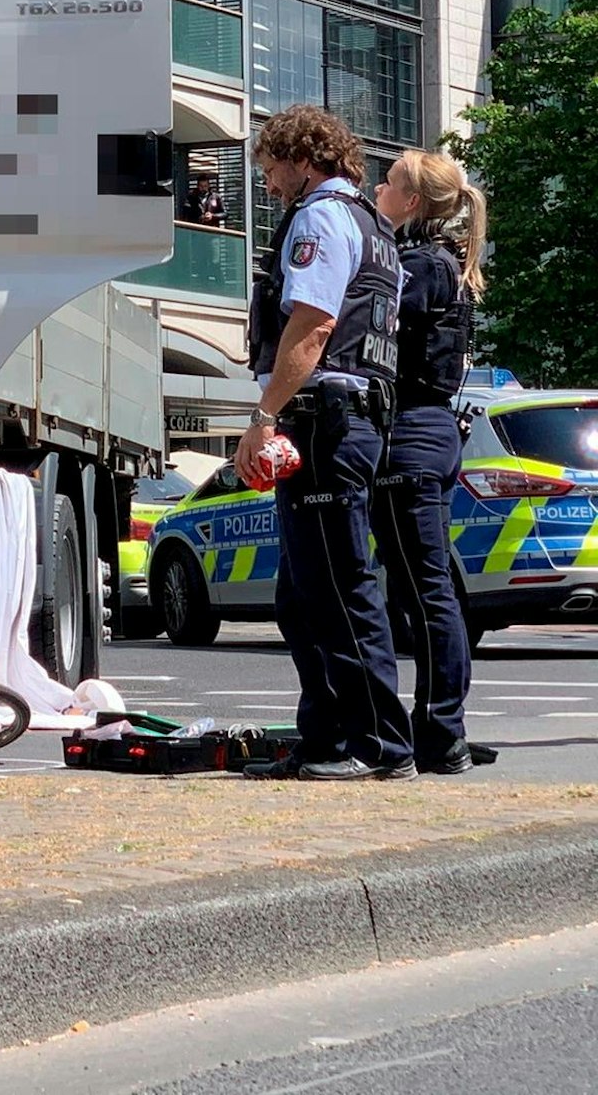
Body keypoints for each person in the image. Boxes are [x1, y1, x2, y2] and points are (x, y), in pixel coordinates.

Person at [237, 106, 413, 781]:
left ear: (304, 160)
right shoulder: (374, 226)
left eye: (273, 169)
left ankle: (378, 746)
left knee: (338, 590)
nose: (270, 184)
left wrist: (265, 415)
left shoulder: (319, 218)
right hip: (352, 419)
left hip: (325, 420)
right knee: (305, 594)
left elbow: (312, 325)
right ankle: (326, 739)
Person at [371, 150, 486, 775]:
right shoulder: (440, 263)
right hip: (430, 432)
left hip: (411, 434)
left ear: (413, 202)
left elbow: (373, 329)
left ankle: (442, 733)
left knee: (424, 592)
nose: (377, 188)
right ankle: (442, 729)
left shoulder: (420, 267)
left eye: (389, 182)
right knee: (428, 589)